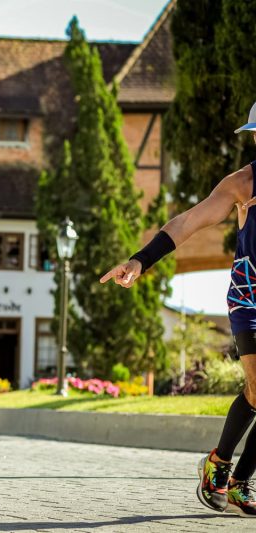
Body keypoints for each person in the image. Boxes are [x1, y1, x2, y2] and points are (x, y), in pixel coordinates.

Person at [100, 101, 256, 517]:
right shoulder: (243, 184)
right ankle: (218, 465)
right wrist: (140, 260)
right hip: (250, 299)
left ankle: (240, 481)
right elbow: (186, 223)